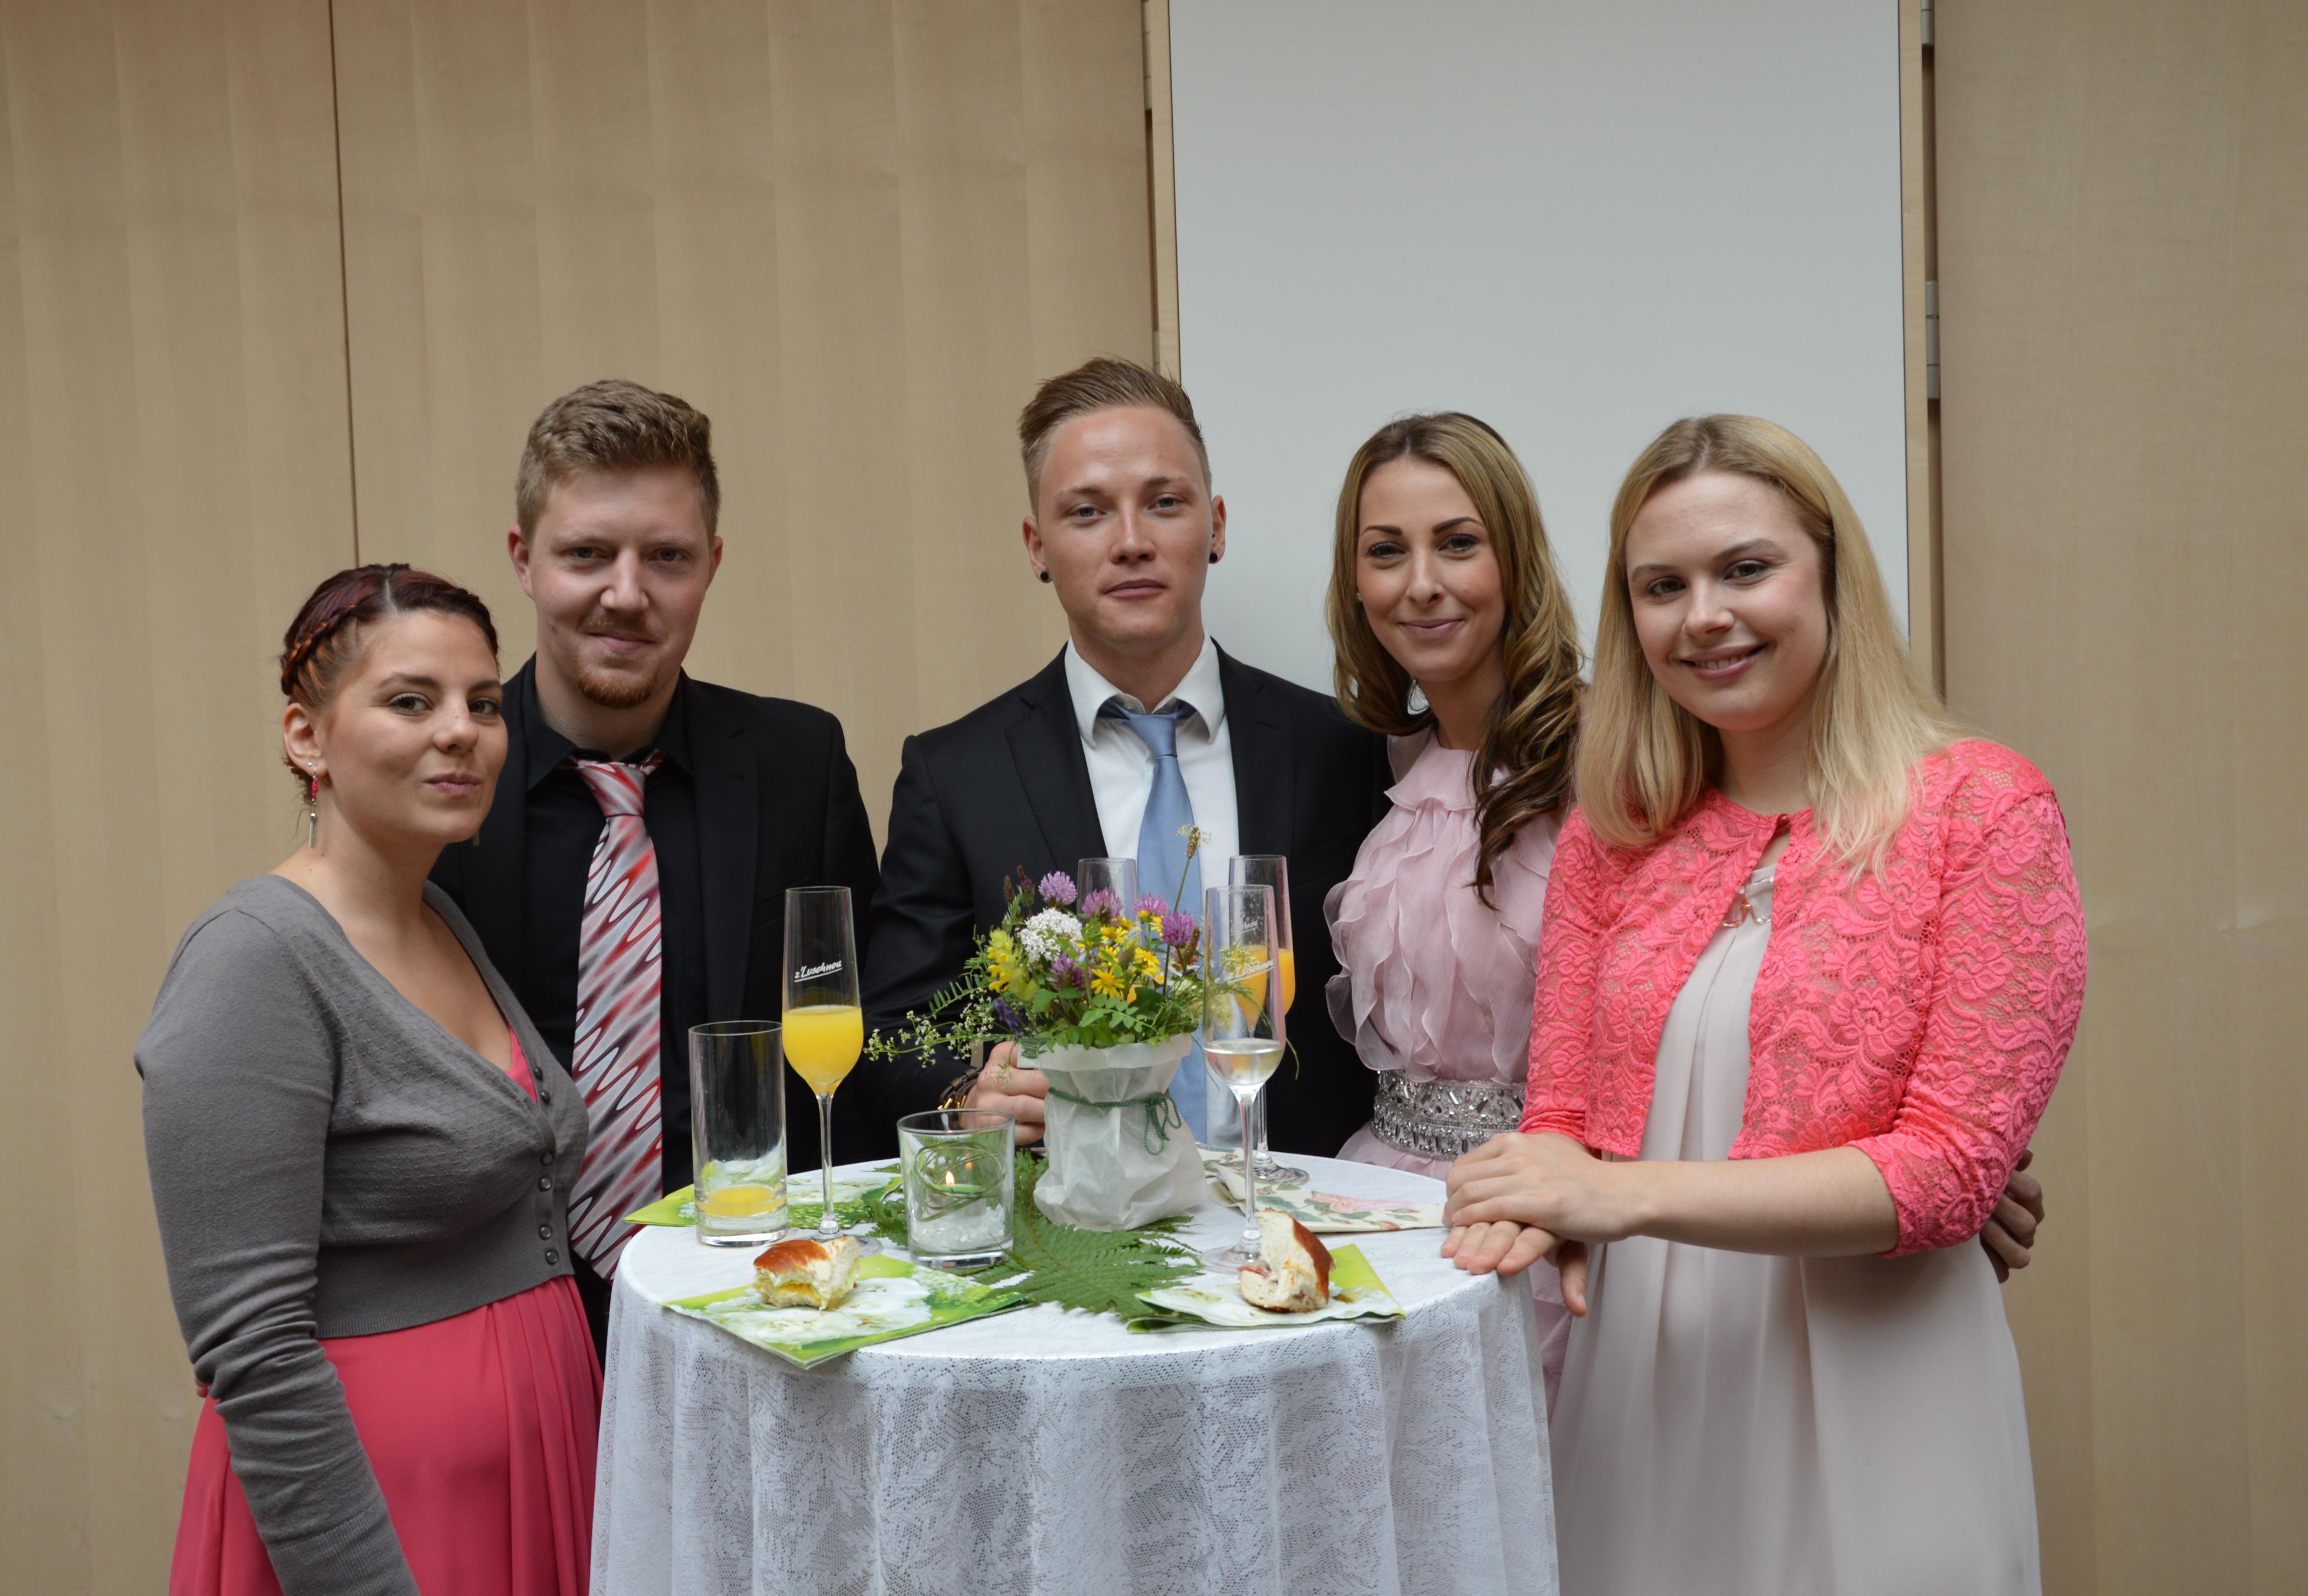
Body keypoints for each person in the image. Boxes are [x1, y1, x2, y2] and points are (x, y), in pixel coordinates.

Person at [1444, 416, 2086, 1594]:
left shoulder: (1982, 812)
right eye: (1661, 587)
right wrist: (1531, 1208)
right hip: (1645, 1382)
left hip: (1880, 1383)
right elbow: (1562, 1123)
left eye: (1745, 569)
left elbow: (1949, 1173)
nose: (1703, 616)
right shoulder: (1612, 836)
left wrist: (1610, 1195)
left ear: (1831, 574)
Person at [139, 566, 598, 1596]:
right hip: (377, 1516)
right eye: (411, 701)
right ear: (307, 738)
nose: (461, 732)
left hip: (532, 1468)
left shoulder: (439, 919)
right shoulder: (252, 958)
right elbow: (252, 1346)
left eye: (485, 704)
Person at [428, 380, 881, 1347]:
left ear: (711, 564)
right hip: (498, 1308)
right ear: (523, 560)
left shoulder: (799, 766)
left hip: (752, 1308)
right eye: (586, 554)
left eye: (666, 557)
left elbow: (860, 1049)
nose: (626, 594)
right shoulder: (446, 785)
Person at [856, 356, 1390, 1156]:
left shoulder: (1343, 746)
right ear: (1038, 546)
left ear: (1216, 526)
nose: (1133, 542)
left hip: (1307, 1209)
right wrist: (967, 1097)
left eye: (1165, 503)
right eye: (1088, 512)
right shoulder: (955, 776)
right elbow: (893, 1034)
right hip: (1066, 1219)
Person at [1318, 413, 1586, 1400]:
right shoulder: (1385, 764)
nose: (1421, 583)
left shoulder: (1612, 756)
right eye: (1387, 552)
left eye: (1458, 543)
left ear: (1515, 557)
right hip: (1384, 1211)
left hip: (1550, 1224)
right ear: (1356, 583)